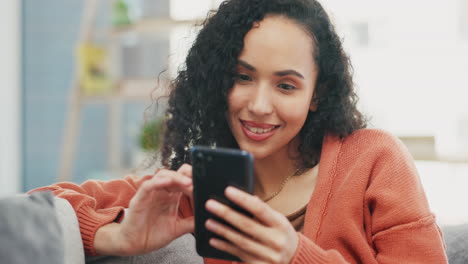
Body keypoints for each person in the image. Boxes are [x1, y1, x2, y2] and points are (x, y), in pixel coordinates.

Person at [31, 0, 448, 263]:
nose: (259, 105)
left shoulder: (374, 160)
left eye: (286, 85)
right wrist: (115, 236)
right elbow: (34, 210)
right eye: (242, 77)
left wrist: (294, 257)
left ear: (317, 94)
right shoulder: (196, 187)